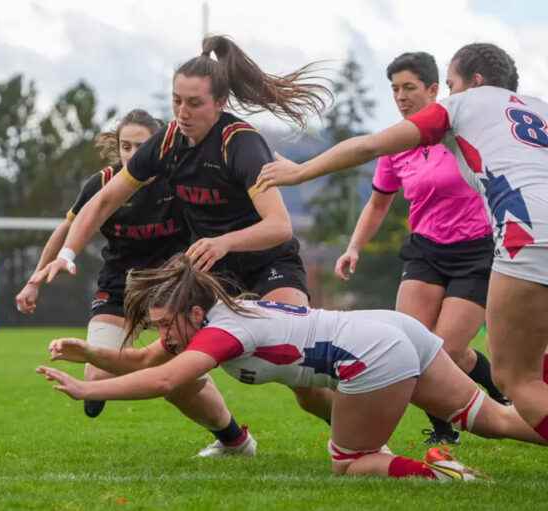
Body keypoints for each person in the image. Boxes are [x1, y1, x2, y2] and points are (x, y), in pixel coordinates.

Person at [30, 35, 335, 433]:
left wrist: (224, 241)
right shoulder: (168, 142)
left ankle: (362, 432)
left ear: (220, 103)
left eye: (194, 103)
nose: (182, 111)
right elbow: (104, 201)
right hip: (213, 273)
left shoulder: (239, 144)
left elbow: (279, 227)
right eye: (176, 100)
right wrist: (67, 255)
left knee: (297, 370)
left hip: (268, 264)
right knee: (172, 362)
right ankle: (232, 440)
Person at [256, 43, 548, 444]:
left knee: (516, 377)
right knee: (518, 360)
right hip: (451, 248)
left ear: (476, 84)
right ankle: (451, 425)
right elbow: (379, 196)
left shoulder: (461, 108)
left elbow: (368, 145)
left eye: (451, 83)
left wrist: (300, 171)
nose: (448, 93)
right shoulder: (538, 108)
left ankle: (489, 414)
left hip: (523, 240)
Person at [37, 254, 546, 480]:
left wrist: (87, 392)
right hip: (388, 328)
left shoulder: (222, 330)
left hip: (370, 350)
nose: (164, 335)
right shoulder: (214, 319)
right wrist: (93, 356)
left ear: (194, 312)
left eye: (168, 324)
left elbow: (167, 378)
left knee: (349, 461)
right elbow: (151, 359)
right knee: (494, 418)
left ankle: (444, 475)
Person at [16, 108, 255, 457]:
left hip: (172, 288)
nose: (132, 154)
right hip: (120, 285)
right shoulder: (102, 184)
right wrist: (34, 280)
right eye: (125, 146)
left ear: (158, 146)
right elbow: (67, 229)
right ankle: (178, 374)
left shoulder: (180, 180)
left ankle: (234, 440)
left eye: (139, 146)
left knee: (179, 382)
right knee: (98, 379)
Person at [333, 52, 506, 445]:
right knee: (409, 344)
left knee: (447, 350)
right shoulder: (397, 144)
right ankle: (445, 430)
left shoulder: (464, 133)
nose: (400, 96)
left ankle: (499, 393)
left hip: (477, 251)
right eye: (394, 89)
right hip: (426, 250)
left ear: (433, 90)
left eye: (409, 87)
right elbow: (378, 203)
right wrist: (354, 247)